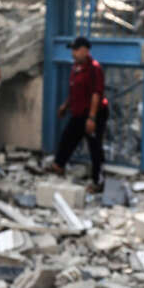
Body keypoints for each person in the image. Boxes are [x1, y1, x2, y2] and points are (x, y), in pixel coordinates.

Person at [49, 36, 109, 192]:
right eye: (73, 50)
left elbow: (96, 94)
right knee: (67, 138)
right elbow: (75, 90)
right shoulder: (76, 67)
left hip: (93, 113)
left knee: (94, 147)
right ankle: (58, 165)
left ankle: (98, 181)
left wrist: (92, 118)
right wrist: (65, 106)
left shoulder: (94, 68)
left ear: (85, 50)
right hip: (78, 112)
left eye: (76, 50)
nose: (73, 53)